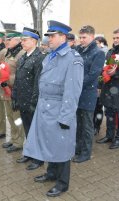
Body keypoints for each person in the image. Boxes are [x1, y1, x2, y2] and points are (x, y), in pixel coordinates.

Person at [23, 20, 84, 197]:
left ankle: (63, 182)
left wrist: (66, 117)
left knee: (62, 146)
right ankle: (51, 173)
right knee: (48, 142)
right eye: (48, 36)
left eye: (52, 36)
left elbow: (72, 92)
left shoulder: (73, 59)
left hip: (59, 109)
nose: (49, 39)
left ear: (63, 37)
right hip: (45, 107)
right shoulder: (51, 55)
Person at [12, 27, 45, 170]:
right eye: (22, 40)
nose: (22, 43)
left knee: (35, 131)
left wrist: (34, 102)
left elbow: (39, 83)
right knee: (27, 128)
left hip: (33, 102)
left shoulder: (39, 58)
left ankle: (38, 159)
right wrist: (15, 97)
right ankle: (30, 153)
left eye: (24, 40)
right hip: (23, 100)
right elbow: (18, 80)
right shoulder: (23, 57)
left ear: (34, 41)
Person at [73, 25, 105, 163]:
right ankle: (77, 149)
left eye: (84, 37)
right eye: (80, 37)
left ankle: (85, 153)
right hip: (76, 93)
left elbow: (93, 74)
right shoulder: (78, 49)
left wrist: (76, 85)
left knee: (86, 125)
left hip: (87, 94)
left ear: (92, 37)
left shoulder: (98, 53)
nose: (81, 40)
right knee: (77, 124)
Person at [0, 30, 25, 153]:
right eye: (6, 39)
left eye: (10, 39)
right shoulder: (9, 54)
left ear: (18, 40)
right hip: (6, 90)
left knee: (17, 118)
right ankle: (14, 138)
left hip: (15, 91)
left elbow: (21, 74)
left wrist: (6, 79)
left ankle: (19, 141)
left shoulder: (21, 54)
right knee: (10, 116)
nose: (7, 42)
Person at [93, 36, 109, 135]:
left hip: (101, 85)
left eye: (97, 43)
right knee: (93, 107)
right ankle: (93, 125)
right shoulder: (94, 52)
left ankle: (97, 126)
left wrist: (99, 85)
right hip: (93, 84)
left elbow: (104, 71)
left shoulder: (105, 54)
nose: (96, 45)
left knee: (98, 107)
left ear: (102, 43)